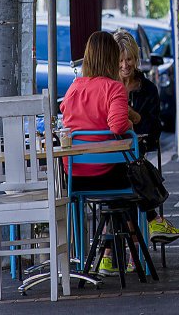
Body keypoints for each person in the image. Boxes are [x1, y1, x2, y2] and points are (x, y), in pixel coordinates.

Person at [59, 30, 141, 276]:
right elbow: (117, 125)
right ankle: (137, 245)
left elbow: (66, 119)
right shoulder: (114, 88)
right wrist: (131, 124)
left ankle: (100, 255)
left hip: (75, 176)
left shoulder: (74, 87)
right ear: (111, 58)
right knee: (134, 174)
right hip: (104, 175)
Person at [113, 29, 179, 245]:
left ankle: (112, 252)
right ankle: (153, 221)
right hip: (112, 155)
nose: (125, 65)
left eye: (130, 59)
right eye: (121, 60)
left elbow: (153, 132)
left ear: (136, 59)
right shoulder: (107, 87)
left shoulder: (148, 89)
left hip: (136, 152)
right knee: (125, 177)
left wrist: (132, 115)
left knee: (125, 176)